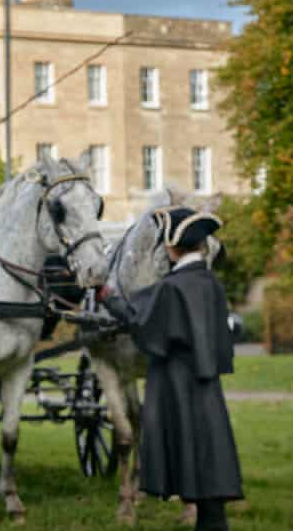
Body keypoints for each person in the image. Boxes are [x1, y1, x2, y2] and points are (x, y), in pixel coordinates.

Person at [100, 207, 244, 531]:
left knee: (184, 443)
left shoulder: (172, 287)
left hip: (177, 383)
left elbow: (144, 325)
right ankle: (211, 520)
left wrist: (110, 300)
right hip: (207, 386)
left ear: (171, 247)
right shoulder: (211, 282)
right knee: (207, 445)